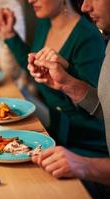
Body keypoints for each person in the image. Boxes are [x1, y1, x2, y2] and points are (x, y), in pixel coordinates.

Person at [0, 0, 108, 157]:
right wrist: (9, 34)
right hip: (55, 134)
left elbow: (98, 107)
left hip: (85, 144)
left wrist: (67, 74)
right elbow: (33, 68)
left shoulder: (88, 36)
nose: (30, 1)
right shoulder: (45, 23)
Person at [29, 0, 110, 187]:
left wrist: (85, 165)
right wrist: (67, 83)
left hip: (88, 149)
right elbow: (105, 107)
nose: (85, 7)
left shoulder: (89, 35)